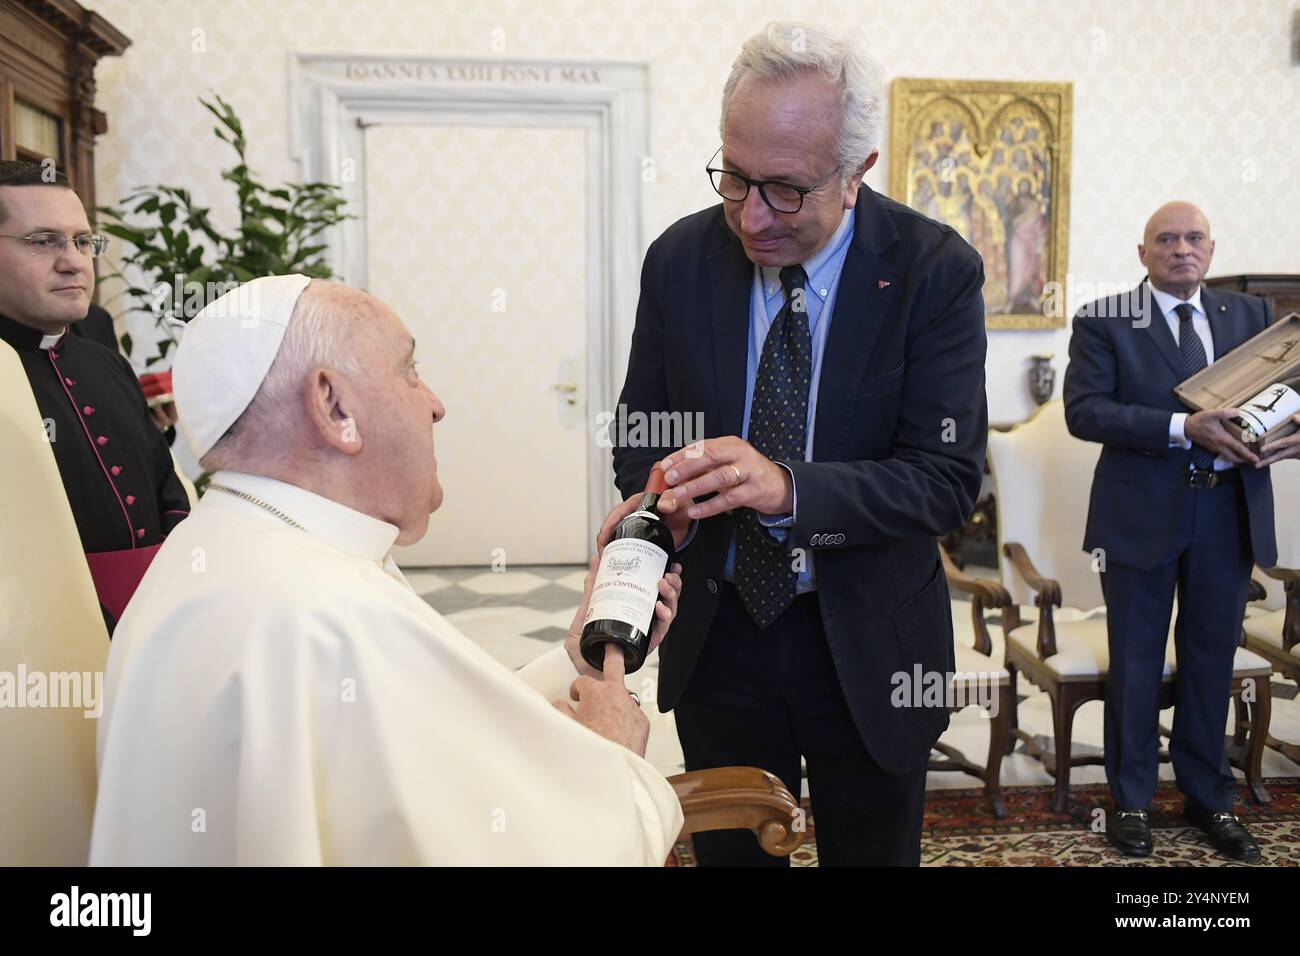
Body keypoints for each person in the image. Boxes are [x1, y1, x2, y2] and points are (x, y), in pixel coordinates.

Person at [90, 275, 686, 865]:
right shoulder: (327, 611)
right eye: (409, 370)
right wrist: (615, 762)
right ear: (334, 406)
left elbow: (441, 740)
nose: (435, 404)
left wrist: (573, 661)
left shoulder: (228, 543)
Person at [608, 22, 987, 866]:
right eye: (734, 177)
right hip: (722, 635)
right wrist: (657, 496)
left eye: (784, 190)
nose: (751, 215)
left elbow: (945, 480)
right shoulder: (679, 260)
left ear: (857, 174)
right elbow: (642, 430)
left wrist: (787, 489)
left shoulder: (934, 272)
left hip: (870, 639)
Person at [1064, 200, 1300, 863]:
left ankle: (1209, 799)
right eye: (1166, 239)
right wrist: (1181, 428)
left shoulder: (1253, 318)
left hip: (1229, 514)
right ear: (1143, 253)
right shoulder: (1104, 319)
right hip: (1139, 516)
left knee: (1209, 661)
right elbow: (1086, 412)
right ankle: (1131, 802)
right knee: (1136, 663)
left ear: (1212, 249)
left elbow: (1285, 393)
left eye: (1194, 238)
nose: (1182, 249)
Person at [0, 160, 189, 633]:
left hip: (158, 611)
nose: (73, 260)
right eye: (43, 241)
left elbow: (163, 481)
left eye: (83, 242)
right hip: (42, 630)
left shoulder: (105, 360)